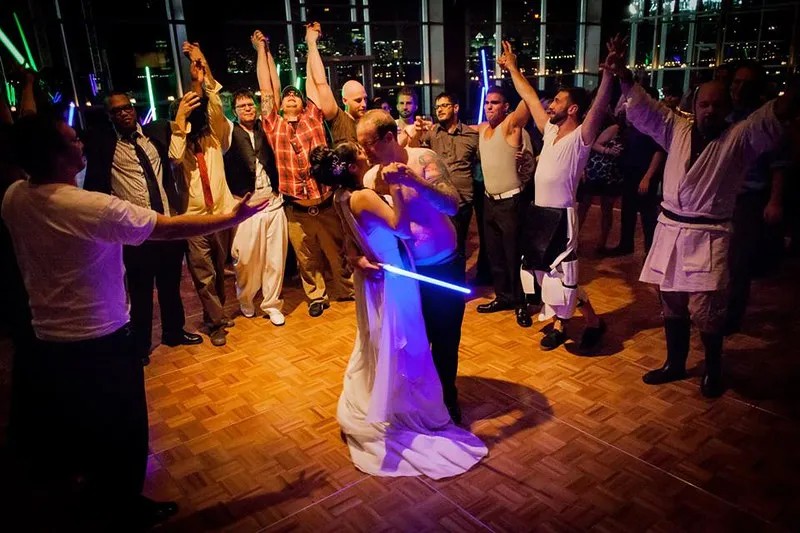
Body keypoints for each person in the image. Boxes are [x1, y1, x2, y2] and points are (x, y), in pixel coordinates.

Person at [1, 113, 269, 529]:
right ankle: (124, 508)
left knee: (77, 430)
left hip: (46, 343)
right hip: (100, 339)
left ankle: (88, 501)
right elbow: (169, 227)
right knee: (123, 431)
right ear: (55, 156)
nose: (82, 144)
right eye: (72, 139)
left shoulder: (14, 197)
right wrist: (234, 218)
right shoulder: (89, 207)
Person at [605, 37, 797, 397]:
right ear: (695, 104)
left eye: (717, 105)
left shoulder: (739, 137)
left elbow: (776, 114)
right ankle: (675, 363)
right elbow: (643, 106)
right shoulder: (675, 126)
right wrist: (623, 73)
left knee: (707, 310)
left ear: (728, 108)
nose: (709, 110)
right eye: (704, 103)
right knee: (671, 303)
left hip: (709, 235)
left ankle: (712, 369)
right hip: (671, 229)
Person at [309, 142, 487, 478]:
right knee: (406, 344)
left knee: (387, 343)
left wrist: (356, 257)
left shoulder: (341, 196)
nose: (364, 152)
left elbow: (353, 236)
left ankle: (406, 396)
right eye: (358, 151)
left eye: (366, 144)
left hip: (381, 278)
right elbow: (400, 227)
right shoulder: (364, 194)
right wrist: (394, 188)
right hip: (395, 279)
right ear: (349, 166)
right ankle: (408, 405)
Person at [356, 109, 468, 423]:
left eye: (369, 144)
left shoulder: (423, 159)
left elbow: (452, 203)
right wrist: (358, 256)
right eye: (361, 145)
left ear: (389, 136)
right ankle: (420, 399)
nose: (365, 152)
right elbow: (368, 227)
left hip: (443, 265)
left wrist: (413, 180)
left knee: (446, 338)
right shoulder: (370, 178)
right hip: (405, 275)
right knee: (413, 341)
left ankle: (447, 396)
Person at [500, 39, 610, 351]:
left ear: (573, 108)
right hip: (540, 213)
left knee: (566, 276)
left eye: (558, 101)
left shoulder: (581, 137)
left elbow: (599, 109)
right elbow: (530, 97)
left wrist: (609, 77)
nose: (551, 105)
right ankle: (560, 323)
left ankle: (593, 322)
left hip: (563, 216)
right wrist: (513, 68)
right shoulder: (549, 131)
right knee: (545, 274)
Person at [84, 91, 202, 362]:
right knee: (140, 292)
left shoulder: (153, 136)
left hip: (166, 225)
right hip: (136, 232)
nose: (123, 113)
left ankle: (174, 332)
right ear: (109, 116)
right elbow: (97, 188)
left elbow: (175, 149)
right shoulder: (106, 146)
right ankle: (140, 345)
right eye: (116, 111)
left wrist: (183, 111)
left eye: (126, 108)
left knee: (171, 285)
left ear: (134, 109)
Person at [169, 42, 238, 346]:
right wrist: (180, 120)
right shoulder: (180, 144)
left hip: (220, 214)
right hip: (194, 218)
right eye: (190, 113)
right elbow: (173, 156)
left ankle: (216, 314)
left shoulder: (215, 138)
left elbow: (216, 105)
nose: (198, 117)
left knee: (220, 270)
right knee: (203, 273)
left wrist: (201, 64)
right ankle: (216, 321)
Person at [223, 89, 288, 325]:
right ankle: (246, 298)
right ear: (234, 111)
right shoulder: (229, 133)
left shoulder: (267, 129)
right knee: (246, 259)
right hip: (247, 206)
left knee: (275, 259)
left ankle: (271, 303)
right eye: (242, 106)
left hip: (273, 202)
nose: (248, 109)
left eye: (251, 105)